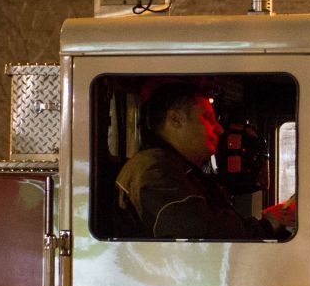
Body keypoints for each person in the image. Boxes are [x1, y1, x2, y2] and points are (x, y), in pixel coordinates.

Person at [114, 81, 295, 240]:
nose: (218, 129)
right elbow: (202, 238)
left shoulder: (175, 168)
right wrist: (268, 225)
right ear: (175, 120)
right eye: (207, 118)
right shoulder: (152, 171)